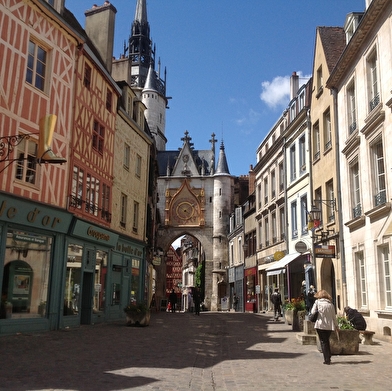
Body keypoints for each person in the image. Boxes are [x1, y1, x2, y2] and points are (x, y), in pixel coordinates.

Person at [310, 290, 338, 365]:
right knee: (326, 341)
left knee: (323, 341)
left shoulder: (317, 303)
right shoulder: (330, 304)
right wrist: (336, 325)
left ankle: (327, 359)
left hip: (320, 324)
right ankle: (328, 356)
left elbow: (312, 312)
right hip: (329, 325)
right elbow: (333, 316)